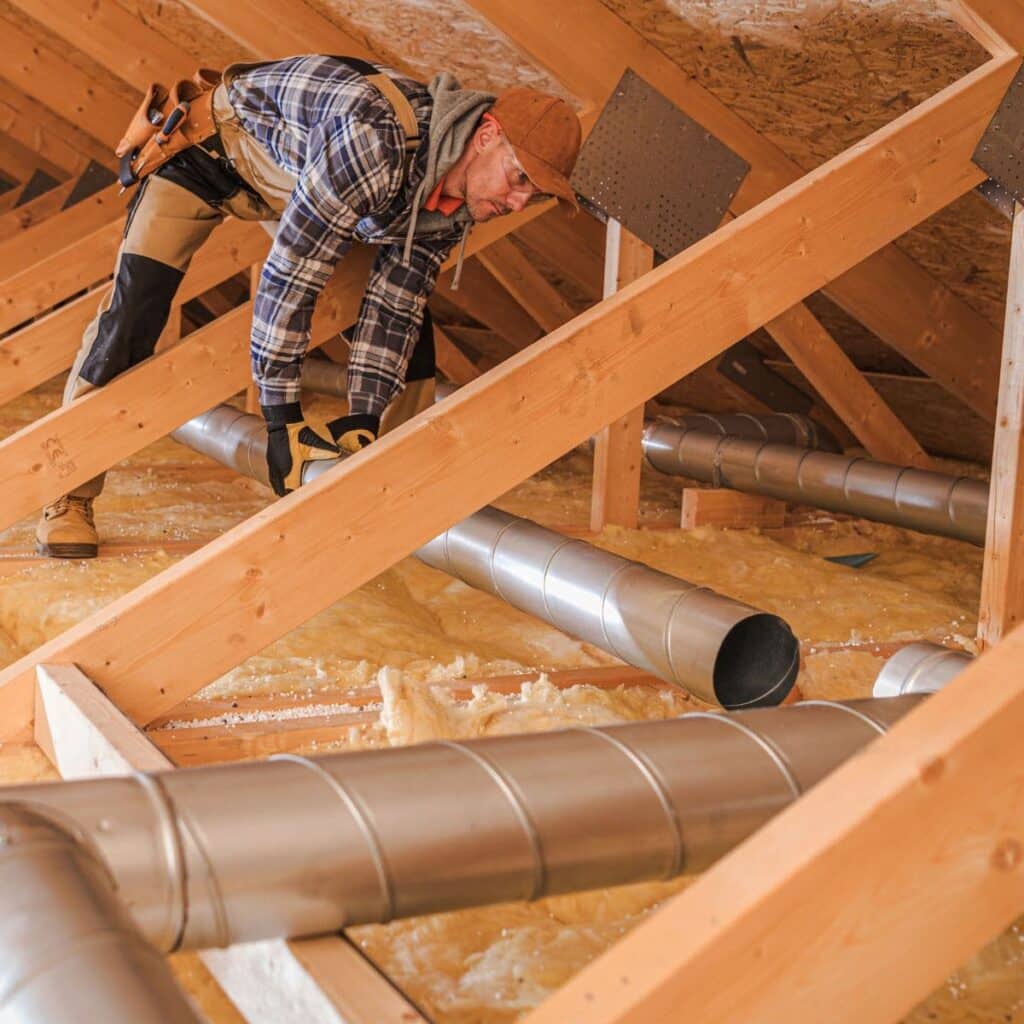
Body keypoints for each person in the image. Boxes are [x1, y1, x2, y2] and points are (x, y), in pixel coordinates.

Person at [35, 54, 582, 558]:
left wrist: (361, 419)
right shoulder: (378, 138)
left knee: (413, 334)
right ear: (487, 136)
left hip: (295, 183)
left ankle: (384, 487)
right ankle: (68, 492)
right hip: (205, 157)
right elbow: (292, 273)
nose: (516, 204)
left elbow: (394, 305)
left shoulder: (455, 200)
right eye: (520, 181)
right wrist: (281, 421)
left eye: (532, 197)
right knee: (133, 315)